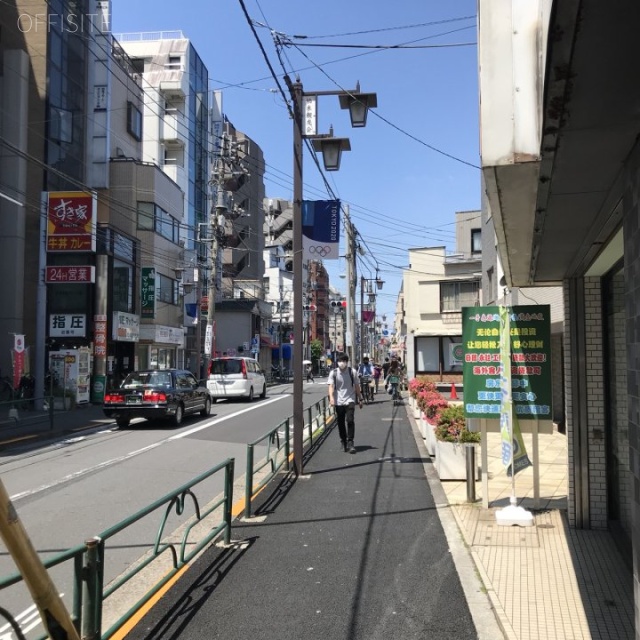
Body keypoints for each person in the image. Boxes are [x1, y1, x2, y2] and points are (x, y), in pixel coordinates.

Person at [328, 353, 362, 454]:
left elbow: (356, 386)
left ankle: (350, 442)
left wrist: (360, 398)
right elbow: (330, 386)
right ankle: (343, 441)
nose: (341, 363)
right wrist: (331, 398)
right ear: (337, 362)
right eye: (340, 361)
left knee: (350, 420)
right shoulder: (333, 373)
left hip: (350, 399)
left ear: (347, 362)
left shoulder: (353, 372)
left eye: (344, 361)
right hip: (338, 401)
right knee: (340, 422)